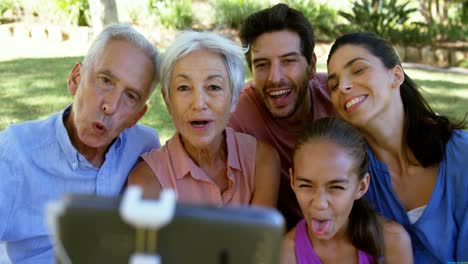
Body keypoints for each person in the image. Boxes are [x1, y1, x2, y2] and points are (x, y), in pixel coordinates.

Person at [0, 24, 161, 263]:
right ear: (76, 78)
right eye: (105, 80)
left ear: (137, 116)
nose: (111, 106)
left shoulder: (144, 146)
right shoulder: (15, 152)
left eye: (131, 96)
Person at [327, 32, 468, 263]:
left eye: (359, 69)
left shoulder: (462, 156)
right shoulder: (351, 176)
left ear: (396, 75)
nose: (343, 86)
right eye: (333, 84)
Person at [128, 31, 280, 208]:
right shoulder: (148, 179)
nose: (199, 103)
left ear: (234, 99)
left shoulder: (262, 162)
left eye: (214, 87)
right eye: (184, 88)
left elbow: (258, 235)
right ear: (167, 101)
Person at [228, 3, 336, 229]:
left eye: (288, 61)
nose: (275, 78)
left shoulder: (339, 96)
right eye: (262, 65)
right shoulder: (237, 112)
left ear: (312, 65)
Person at [282, 117, 413, 264]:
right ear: (292, 181)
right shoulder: (286, 253)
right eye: (306, 185)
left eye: (336, 187)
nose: (319, 203)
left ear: (361, 186)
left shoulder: (392, 242)